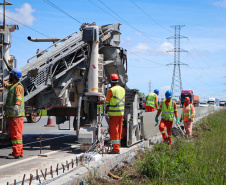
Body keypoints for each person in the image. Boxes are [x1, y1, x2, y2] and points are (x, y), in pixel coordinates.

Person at [1, 68, 25, 159]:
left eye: (11, 75)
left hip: (16, 116)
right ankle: (19, 152)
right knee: (16, 134)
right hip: (14, 116)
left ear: (14, 76)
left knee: (16, 135)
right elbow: (7, 86)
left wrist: (16, 106)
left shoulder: (18, 87)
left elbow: (19, 98)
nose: (9, 76)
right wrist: (2, 81)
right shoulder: (14, 86)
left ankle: (17, 153)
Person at [106, 74, 125, 154]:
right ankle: (117, 147)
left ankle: (116, 149)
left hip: (113, 114)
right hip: (121, 113)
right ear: (117, 80)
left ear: (111, 81)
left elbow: (107, 102)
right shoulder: (123, 89)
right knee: (119, 130)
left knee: (114, 131)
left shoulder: (111, 90)